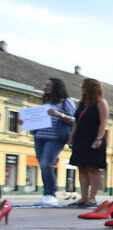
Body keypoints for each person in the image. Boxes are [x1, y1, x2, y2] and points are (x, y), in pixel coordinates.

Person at [29, 78, 75, 206]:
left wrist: (59, 115)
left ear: (57, 87)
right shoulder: (46, 103)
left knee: (46, 164)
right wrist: (28, 123)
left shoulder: (67, 102)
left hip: (55, 138)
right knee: (43, 165)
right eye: (45, 84)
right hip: (39, 137)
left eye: (49, 85)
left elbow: (75, 119)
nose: (45, 87)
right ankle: (46, 194)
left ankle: (51, 194)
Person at [68, 78, 108, 206]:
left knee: (93, 168)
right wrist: (71, 137)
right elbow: (76, 122)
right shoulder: (82, 104)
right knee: (82, 167)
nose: (82, 88)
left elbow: (103, 121)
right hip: (81, 138)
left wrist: (99, 138)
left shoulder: (101, 103)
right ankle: (84, 196)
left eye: (84, 86)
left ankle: (92, 197)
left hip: (94, 138)